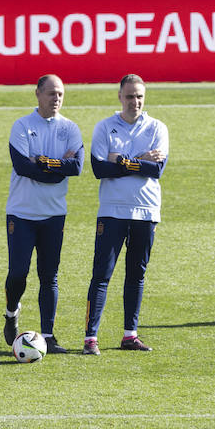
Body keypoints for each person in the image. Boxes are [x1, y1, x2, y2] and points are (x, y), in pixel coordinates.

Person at [84, 74, 168, 355]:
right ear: (119, 97)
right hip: (112, 212)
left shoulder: (158, 128)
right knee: (102, 274)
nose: (135, 102)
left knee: (137, 275)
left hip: (146, 211)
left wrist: (119, 160)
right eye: (130, 96)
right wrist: (139, 160)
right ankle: (90, 338)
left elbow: (156, 170)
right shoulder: (105, 128)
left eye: (140, 97)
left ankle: (130, 335)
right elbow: (99, 170)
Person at [2, 74, 84, 353]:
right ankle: (12, 313)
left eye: (60, 93)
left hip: (53, 214)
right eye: (51, 93)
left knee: (50, 276)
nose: (56, 98)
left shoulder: (71, 128)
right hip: (21, 213)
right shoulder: (22, 126)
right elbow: (23, 167)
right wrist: (58, 167)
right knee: (18, 273)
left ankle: (48, 336)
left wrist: (45, 163)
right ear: (37, 94)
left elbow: (76, 168)